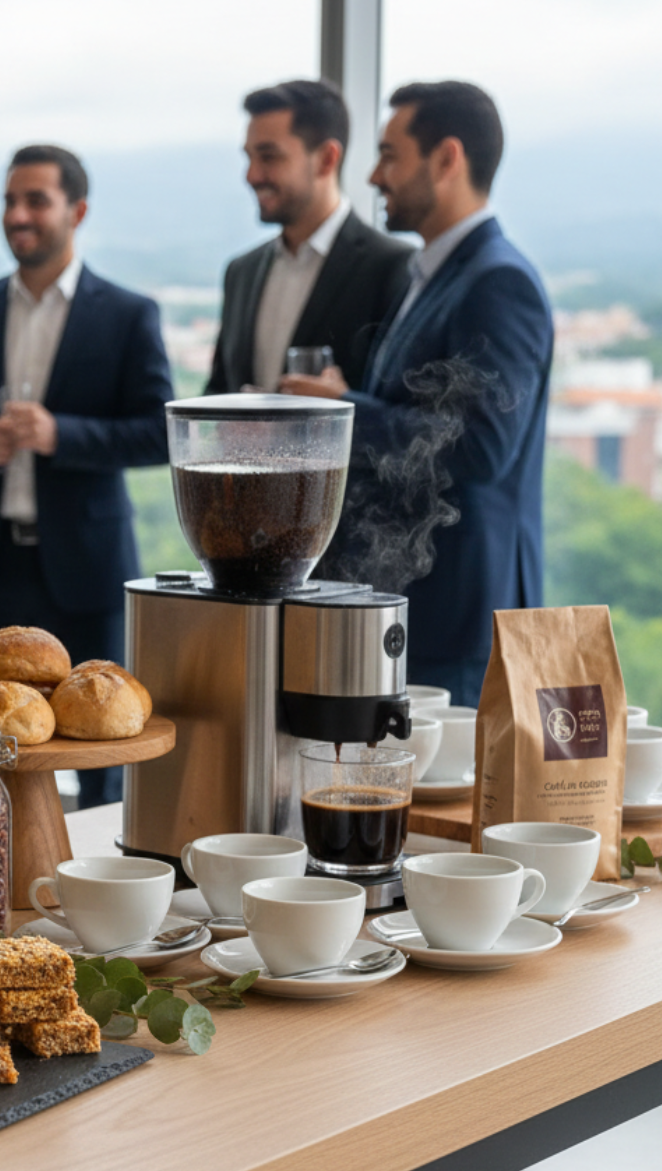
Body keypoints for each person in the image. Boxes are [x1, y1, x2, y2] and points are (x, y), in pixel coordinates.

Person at [0, 144, 173, 808]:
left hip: (86, 565)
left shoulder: (127, 313)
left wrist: (61, 435)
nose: (18, 214)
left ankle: (102, 885)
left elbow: (158, 431)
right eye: (9, 200)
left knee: (102, 748)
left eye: (35, 200)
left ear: (76, 211)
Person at [282, 82, 553, 706]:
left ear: (447, 158)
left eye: (389, 155)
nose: (374, 175)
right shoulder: (431, 273)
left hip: (458, 617)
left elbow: (481, 447)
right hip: (416, 602)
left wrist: (341, 412)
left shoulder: (498, 280)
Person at [207, 79, 412, 395]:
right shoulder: (241, 272)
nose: (251, 175)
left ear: (327, 158)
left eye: (269, 156)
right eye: (249, 157)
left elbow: (396, 410)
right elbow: (219, 391)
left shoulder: (393, 268)